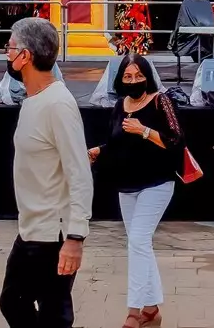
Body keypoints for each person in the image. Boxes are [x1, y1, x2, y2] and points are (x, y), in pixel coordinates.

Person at [0, 16, 91, 328]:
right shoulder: (33, 100)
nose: (7, 54)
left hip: (54, 234)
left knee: (53, 313)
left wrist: (75, 237)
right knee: (13, 302)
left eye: (10, 47)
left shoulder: (58, 104)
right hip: (31, 229)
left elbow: (79, 173)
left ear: (26, 56)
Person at [85, 54, 179, 328]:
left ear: (148, 76)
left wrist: (144, 130)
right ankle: (151, 309)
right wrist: (98, 151)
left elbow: (176, 141)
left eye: (139, 75)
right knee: (140, 244)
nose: (134, 80)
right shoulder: (119, 105)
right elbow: (116, 144)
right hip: (126, 186)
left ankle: (133, 312)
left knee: (138, 240)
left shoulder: (162, 102)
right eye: (128, 76)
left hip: (157, 183)